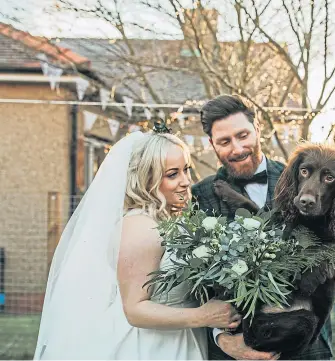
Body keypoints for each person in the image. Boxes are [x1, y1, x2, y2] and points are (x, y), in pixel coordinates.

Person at [34, 128, 241, 360]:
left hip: (181, 338)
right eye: (172, 174)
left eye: (186, 170)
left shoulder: (170, 220)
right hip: (150, 347)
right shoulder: (141, 227)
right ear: (148, 179)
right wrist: (203, 316)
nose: (185, 182)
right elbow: (134, 310)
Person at [190, 95, 335, 360]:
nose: (237, 148)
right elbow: (196, 288)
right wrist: (225, 341)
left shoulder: (303, 174)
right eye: (225, 141)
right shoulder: (200, 196)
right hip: (238, 350)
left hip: (308, 349)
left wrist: (324, 260)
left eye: (243, 135)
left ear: (258, 129)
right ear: (211, 144)